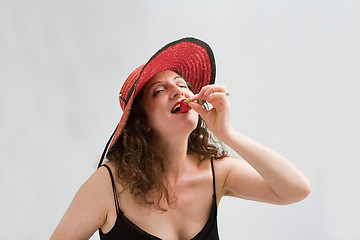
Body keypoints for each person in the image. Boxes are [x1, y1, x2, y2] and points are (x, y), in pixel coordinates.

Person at [50, 37, 311, 240]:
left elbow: (296, 189)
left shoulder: (216, 173)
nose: (178, 90)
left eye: (182, 84)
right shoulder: (108, 185)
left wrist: (227, 134)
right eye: (159, 90)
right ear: (142, 121)